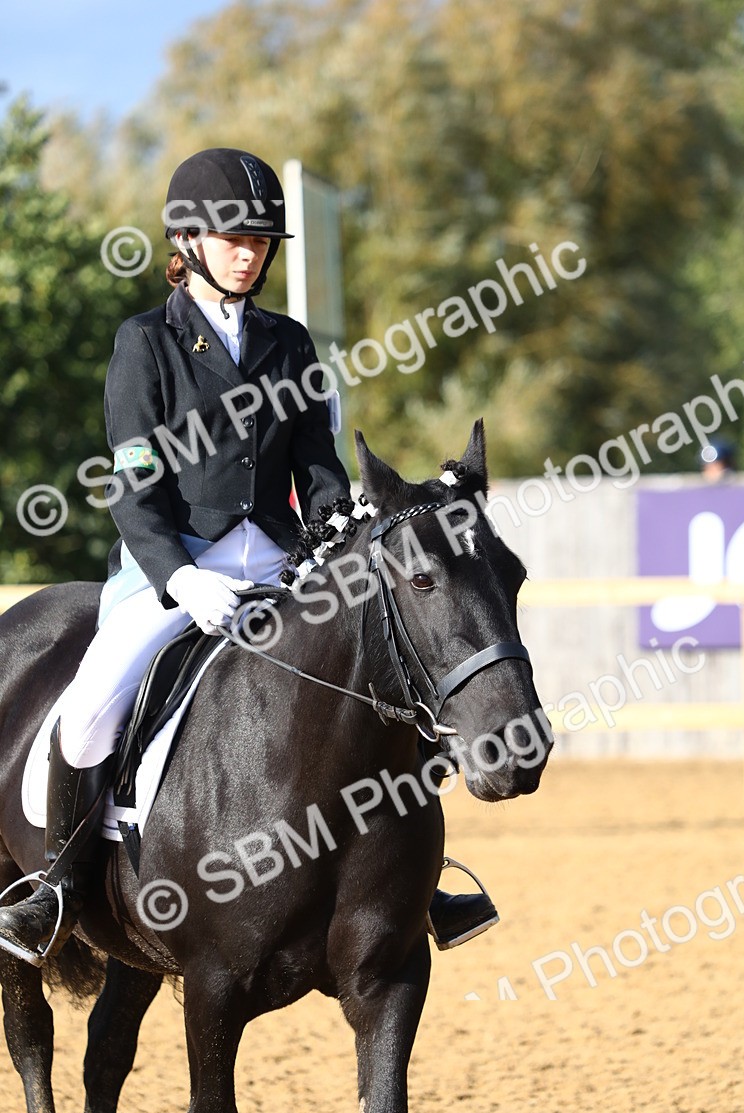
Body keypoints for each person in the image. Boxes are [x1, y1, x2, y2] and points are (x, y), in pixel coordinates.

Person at [0, 148, 497, 964]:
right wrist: (180, 576)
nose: (251, 251)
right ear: (188, 240)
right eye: (235, 237)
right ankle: (55, 885)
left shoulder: (290, 345)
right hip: (175, 571)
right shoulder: (144, 345)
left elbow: (319, 471)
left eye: (263, 241)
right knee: (89, 709)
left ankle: (420, 877)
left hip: (278, 565)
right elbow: (132, 481)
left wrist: (335, 539)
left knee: (394, 669)